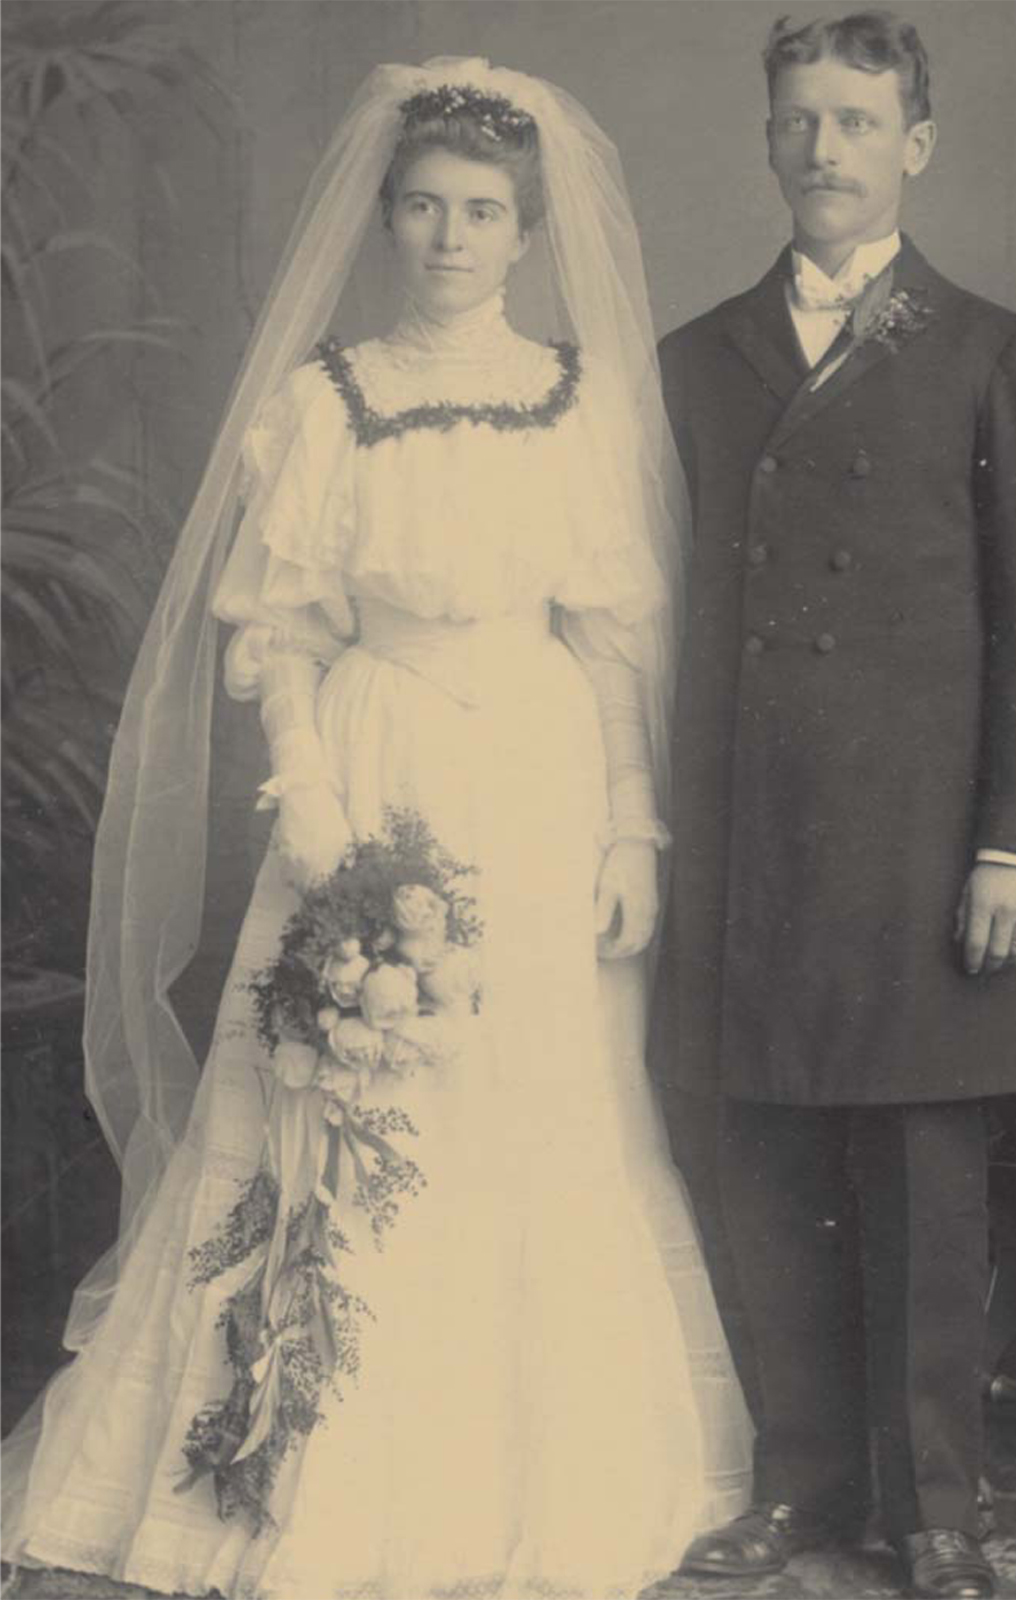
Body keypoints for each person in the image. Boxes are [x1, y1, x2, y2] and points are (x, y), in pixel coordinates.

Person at [1, 57, 752, 1600]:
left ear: (527, 231)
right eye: (421, 207)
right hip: (373, 756)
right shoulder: (319, 406)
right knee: (341, 1097)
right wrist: (321, 800)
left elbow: (613, 640)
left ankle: (534, 1467)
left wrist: (627, 833)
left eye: (480, 212)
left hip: (537, 776)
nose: (448, 237)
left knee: (538, 1098)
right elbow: (276, 633)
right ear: (383, 219)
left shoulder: (578, 400)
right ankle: (290, 1459)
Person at [655, 13, 1016, 1600]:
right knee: (760, 1161)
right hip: (749, 839)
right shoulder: (697, 357)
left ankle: (936, 1513)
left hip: (924, 845)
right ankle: (799, 1484)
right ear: (767, 139)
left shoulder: (993, 350)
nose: (823, 149)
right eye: (799, 120)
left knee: (922, 1181)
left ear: (913, 143)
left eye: (855, 121)